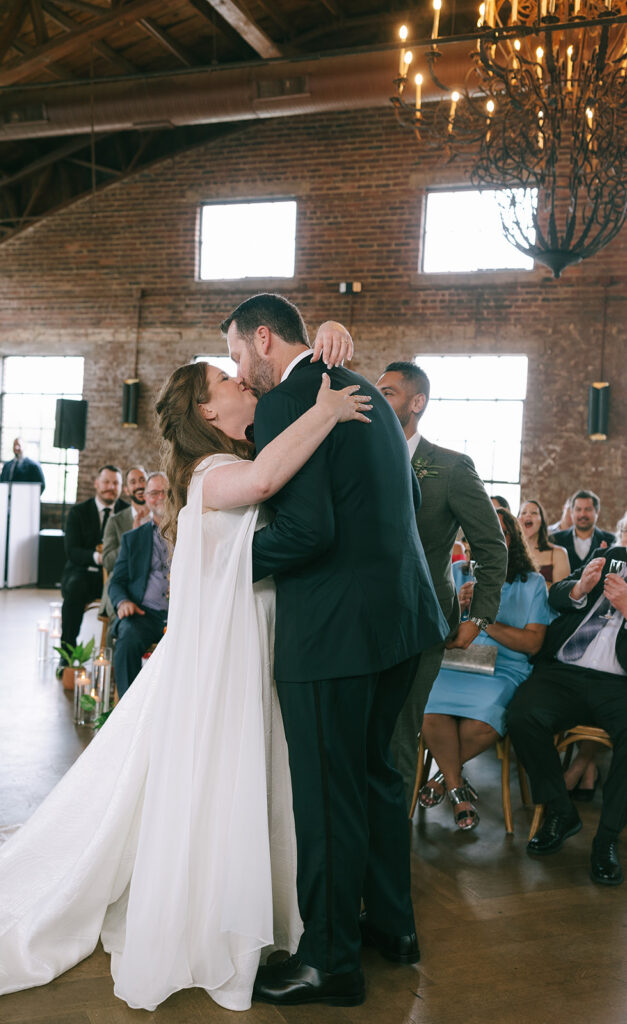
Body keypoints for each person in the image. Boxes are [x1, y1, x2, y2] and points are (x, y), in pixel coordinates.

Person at [0, 325, 362, 1021]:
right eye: (227, 382)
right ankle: (206, 911)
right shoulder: (205, 475)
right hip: (218, 655)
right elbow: (263, 481)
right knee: (212, 774)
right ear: (206, 411)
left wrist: (325, 347)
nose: (240, 380)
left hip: (243, 641)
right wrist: (325, 409)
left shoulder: (234, 453)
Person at [222, 296, 448, 1009]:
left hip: (334, 635)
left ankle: (328, 962)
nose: (238, 371)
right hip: (403, 621)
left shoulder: (294, 401)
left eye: (234, 354)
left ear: (263, 339)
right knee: (379, 776)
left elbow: (307, 533)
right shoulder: (365, 396)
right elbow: (406, 496)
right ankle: (392, 929)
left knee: (326, 794)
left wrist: (222, 560)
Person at [376, 361, 507, 803]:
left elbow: (492, 548)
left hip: (421, 619)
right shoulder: (363, 456)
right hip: (362, 617)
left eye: (389, 392)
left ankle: (392, 842)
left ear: (417, 403)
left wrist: (480, 617)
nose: (379, 398)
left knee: (400, 731)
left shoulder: (450, 468)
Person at [418, 508, 553, 830]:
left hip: (503, 669)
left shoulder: (531, 583)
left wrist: (482, 617)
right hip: (455, 662)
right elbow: (438, 635)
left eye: (499, 535)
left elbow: (533, 644)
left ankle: (443, 779)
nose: (488, 542)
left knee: (483, 722)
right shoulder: (456, 571)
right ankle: (458, 791)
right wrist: (457, 610)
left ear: (512, 541)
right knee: (429, 712)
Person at [508, 544, 627, 886]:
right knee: (521, 715)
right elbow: (556, 596)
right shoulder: (614, 556)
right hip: (564, 671)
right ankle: (560, 809)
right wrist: (580, 588)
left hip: (618, 683)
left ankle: (606, 838)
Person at [58, 465, 127, 670]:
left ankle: (116, 660)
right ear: (96, 484)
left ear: (121, 488)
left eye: (115, 483)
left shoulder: (126, 512)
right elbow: (72, 551)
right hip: (83, 573)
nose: (110, 487)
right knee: (74, 590)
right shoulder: (78, 512)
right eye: (106, 482)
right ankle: (67, 656)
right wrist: (100, 557)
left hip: (115, 575)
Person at [109, 472, 170, 697]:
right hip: (144, 614)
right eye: (154, 493)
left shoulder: (192, 533)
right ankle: (128, 713)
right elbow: (116, 581)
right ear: (145, 497)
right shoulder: (132, 539)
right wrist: (123, 601)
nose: (161, 497)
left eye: (167, 492)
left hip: (183, 617)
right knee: (127, 639)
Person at [98, 465, 149, 625]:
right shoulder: (115, 521)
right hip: (122, 587)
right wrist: (132, 539)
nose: (139, 485)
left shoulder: (163, 517)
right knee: (129, 624)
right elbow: (107, 562)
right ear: (126, 490)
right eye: (133, 482)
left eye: (142, 480)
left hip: (153, 587)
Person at [552, 490, 615, 572]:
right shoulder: (555, 540)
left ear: (597, 512)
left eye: (588, 509)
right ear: (571, 512)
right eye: (578, 509)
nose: (582, 514)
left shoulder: (612, 541)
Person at [518, 498, 571, 587]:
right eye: (523, 513)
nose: (528, 515)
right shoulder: (510, 552)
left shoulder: (559, 553)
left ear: (541, 520)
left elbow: (560, 593)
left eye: (534, 513)